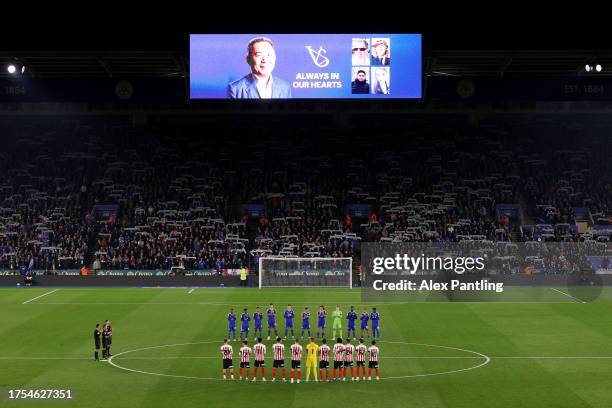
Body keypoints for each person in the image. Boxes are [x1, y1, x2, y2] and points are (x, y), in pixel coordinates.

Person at [227, 37, 292, 99]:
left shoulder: (285, 87)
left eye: (269, 55)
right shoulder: (235, 88)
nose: (264, 60)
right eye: (259, 55)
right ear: (248, 59)